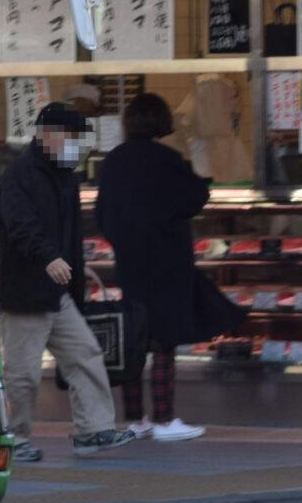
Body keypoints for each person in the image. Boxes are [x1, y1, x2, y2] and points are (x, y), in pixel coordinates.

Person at [0, 103, 136, 460]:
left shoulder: (65, 177)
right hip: (25, 292)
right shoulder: (20, 175)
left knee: (85, 354)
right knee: (23, 373)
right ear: (48, 135)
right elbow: (20, 224)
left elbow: (69, 234)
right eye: (72, 137)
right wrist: (49, 258)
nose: (77, 146)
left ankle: (94, 430)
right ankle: (14, 439)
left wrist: (73, 267)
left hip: (57, 292)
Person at [95, 92, 221, 441]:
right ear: (161, 122)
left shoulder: (114, 161)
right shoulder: (166, 158)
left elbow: (103, 214)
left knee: (134, 341)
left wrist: (123, 243)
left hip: (130, 264)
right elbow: (195, 197)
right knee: (165, 339)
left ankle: (136, 420)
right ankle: (165, 420)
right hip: (167, 263)